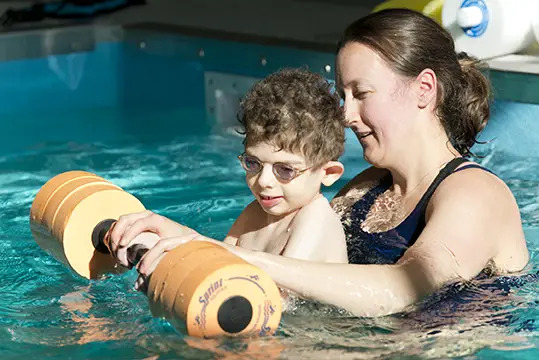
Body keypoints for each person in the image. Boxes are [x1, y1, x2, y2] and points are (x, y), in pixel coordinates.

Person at [108, 9, 529, 317]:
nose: (345, 114)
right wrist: (181, 240)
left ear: (423, 90)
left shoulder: (475, 194)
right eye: (343, 94)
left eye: (361, 94)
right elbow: (292, 259)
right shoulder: (366, 188)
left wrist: (238, 260)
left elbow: (403, 290)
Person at [109, 68, 348, 278]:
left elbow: (283, 294)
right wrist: (162, 235)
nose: (264, 181)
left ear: (328, 173)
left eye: (285, 170)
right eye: (253, 163)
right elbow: (217, 258)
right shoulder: (254, 213)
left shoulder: (315, 218)